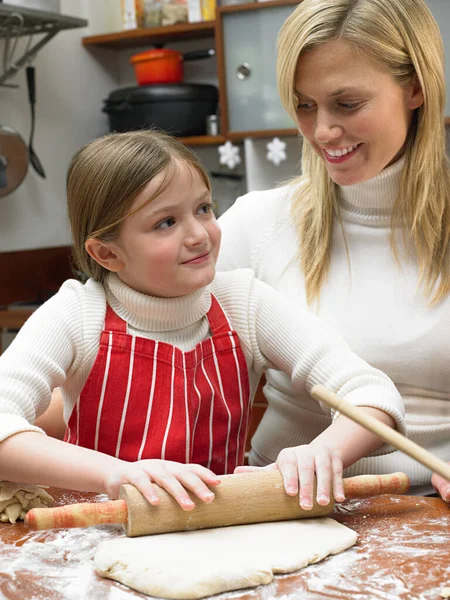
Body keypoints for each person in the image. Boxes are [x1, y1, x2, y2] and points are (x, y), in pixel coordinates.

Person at [0, 130, 405, 511]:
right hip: (96, 535)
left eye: (203, 208)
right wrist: (116, 474)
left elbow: (371, 392)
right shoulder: (77, 315)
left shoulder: (242, 303)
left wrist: (323, 452)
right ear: (108, 255)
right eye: (166, 222)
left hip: (218, 531)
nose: (199, 234)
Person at [217, 0, 450, 500]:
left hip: (429, 514)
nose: (322, 131)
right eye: (304, 105)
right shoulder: (254, 226)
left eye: (346, 104)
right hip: (277, 506)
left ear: (415, 89)